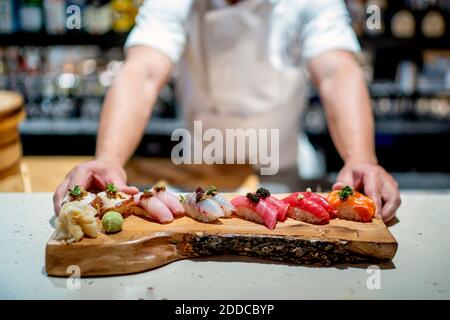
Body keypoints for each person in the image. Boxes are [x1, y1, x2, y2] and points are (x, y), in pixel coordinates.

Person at [53, 0, 401, 222]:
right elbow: (141, 73)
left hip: (284, 174)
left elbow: (336, 72)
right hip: (200, 175)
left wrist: (361, 158)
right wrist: (108, 159)